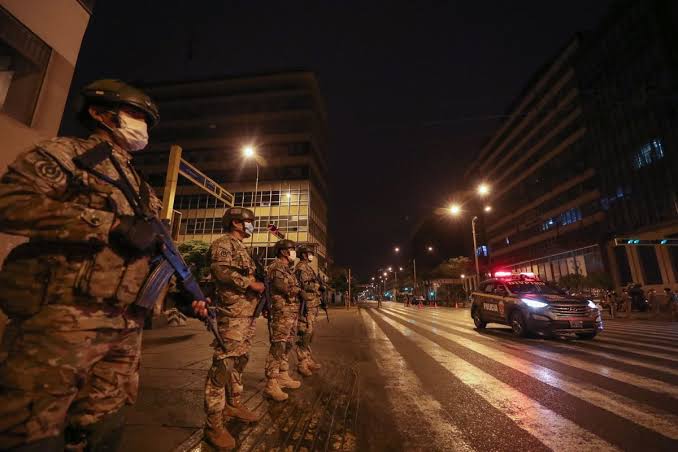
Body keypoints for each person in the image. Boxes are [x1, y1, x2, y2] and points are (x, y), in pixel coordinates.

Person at [0, 79, 207, 451]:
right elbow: (10, 203)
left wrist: (178, 294)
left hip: (125, 325)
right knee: (33, 429)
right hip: (64, 320)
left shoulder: (141, 187)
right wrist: (107, 224)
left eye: (146, 118)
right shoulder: (66, 154)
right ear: (98, 112)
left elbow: (149, 253)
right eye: (134, 113)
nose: (142, 124)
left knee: (103, 427)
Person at [201, 207, 264, 450]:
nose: (251, 225)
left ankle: (233, 404)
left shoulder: (242, 248)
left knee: (240, 360)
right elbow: (221, 271)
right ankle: (213, 424)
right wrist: (250, 284)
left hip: (246, 314)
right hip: (232, 313)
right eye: (249, 221)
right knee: (223, 366)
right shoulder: (223, 244)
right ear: (236, 223)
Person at [263, 239, 302, 401]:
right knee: (278, 346)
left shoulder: (288, 269)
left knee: (288, 343)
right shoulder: (276, 266)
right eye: (292, 249)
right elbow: (281, 287)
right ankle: (271, 383)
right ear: (283, 251)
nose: (294, 252)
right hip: (281, 312)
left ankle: (282, 375)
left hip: (290, 312)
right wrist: (298, 290)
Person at [294, 245, 324, 377]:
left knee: (310, 333)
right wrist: (318, 286)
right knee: (305, 333)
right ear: (304, 255)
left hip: (312, 305)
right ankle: (302, 363)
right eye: (310, 253)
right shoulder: (301, 267)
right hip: (306, 306)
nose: (312, 255)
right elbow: (303, 285)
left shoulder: (308, 268)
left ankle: (307, 359)